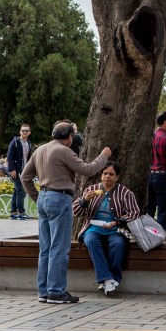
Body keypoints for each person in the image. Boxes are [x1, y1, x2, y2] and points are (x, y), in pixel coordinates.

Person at [21, 121, 111, 304]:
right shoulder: (64, 151)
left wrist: (37, 198)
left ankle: (44, 291)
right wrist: (103, 156)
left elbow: (25, 176)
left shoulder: (40, 149)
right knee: (59, 248)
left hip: (44, 198)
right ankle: (56, 291)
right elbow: (88, 170)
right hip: (59, 198)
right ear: (69, 137)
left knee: (45, 248)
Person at [72, 161, 140, 294]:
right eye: (105, 173)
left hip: (114, 228)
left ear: (117, 177)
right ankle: (107, 279)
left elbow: (134, 213)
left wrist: (117, 222)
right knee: (91, 240)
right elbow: (76, 212)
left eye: (111, 174)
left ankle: (112, 278)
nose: (107, 176)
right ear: (100, 175)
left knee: (118, 243)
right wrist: (84, 201)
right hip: (94, 227)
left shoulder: (125, 192)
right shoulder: (91, 190)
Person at [146, 111, 166, 231]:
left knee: (149, 209)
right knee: (163, 211)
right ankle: (160, 237)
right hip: (164, 177)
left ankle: (148, 236)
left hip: (150, 176)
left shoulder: (151, 137)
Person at [7, 123, 33, 220]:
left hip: (24, 170)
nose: (24, 132)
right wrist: (12, 169)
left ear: (29, 132)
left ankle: (13, 212)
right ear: (20, 132)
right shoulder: (15, 142)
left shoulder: (29, 143)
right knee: (21, 191)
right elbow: (9, 156)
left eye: (26, 131)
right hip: (16, 170)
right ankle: (21, 212)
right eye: (23, 131)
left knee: (16, 191)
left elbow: (29, 158)